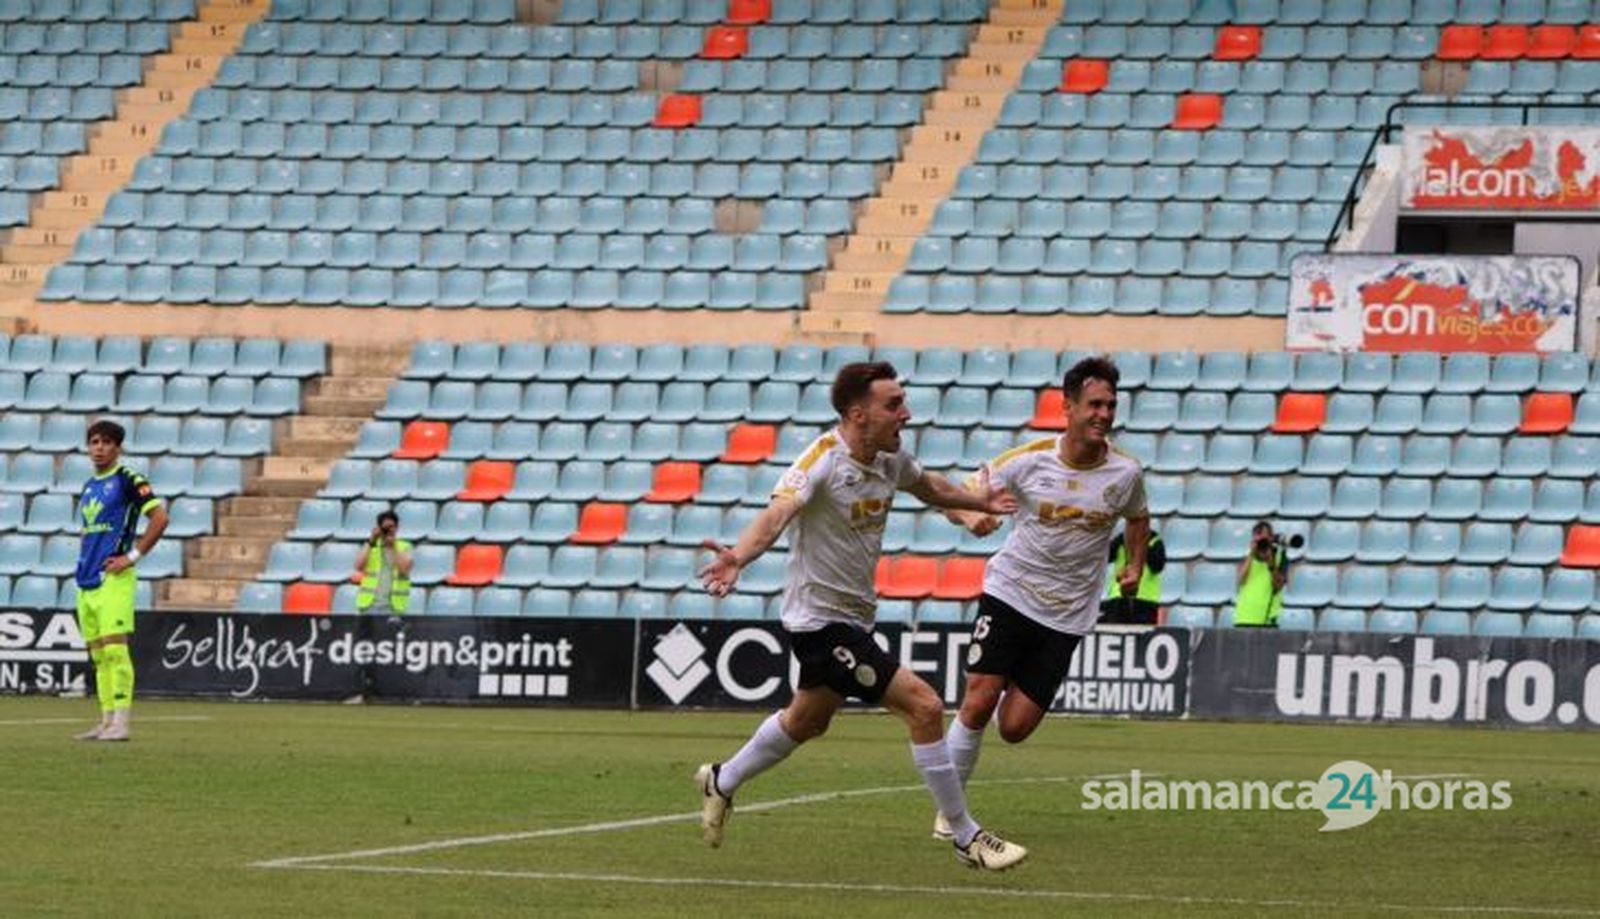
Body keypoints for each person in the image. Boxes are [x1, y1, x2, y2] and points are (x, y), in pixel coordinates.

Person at [694, 361, 1029, 872]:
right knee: (923, 706)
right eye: (893, 404)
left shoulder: (889, 459)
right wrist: (737, 557)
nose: (906, 413)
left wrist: (972, 504)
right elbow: (776, 514)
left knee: (806, 721)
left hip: (852, 621)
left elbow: (931, 487)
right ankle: (965, 836)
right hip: (818, 625)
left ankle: (723, 779)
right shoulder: (822, 461)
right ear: (858, 414)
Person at [936, 356, 1149, 840]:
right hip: (1010, 593)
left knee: (1014, 727)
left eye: (1111, 405)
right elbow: (957, 498)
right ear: (1067, 407)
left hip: (1067, 616)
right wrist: (972, 518)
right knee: (978, 699)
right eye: (1094, 404)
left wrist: (1132, 565)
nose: (1104, 413)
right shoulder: (1026, 461)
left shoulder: (1125, 473)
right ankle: (951, 812)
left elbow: (1137, 517)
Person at [73, 420, 167, 742]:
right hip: (86, 579)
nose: (99, 447)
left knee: (115, 651)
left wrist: (132, 556)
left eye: (107, 442)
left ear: (118, 448)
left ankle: (123, 723)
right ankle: (106, 721)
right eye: (94, 442)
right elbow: (88, 530)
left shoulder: (128, 479)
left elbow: (159, 517)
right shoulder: (88, 486)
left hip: (115, 577)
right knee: (99, 656)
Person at [352, 510, 413, 615]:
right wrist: (371, 540)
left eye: (391, 527)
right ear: (379, 528)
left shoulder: (404, 546)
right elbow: (358, 566)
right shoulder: (371, 546)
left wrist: (394, 546)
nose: (388, 531)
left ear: (397, 528)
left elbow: (404, 569)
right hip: (369, 604)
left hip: (394, 607)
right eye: (385, 528)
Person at [1102, 527, 1165, 625]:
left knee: (1142, 637)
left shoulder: (1154, 540)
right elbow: (1104, 557)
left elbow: (1158, 566)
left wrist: (1141, 546)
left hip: (1145, 600)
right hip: (1118, 599)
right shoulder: (1120, 540)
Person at [1233, 521, 1288, 627]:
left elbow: (1278, 586)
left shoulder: (1280, 557)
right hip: (1244, 618)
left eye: (1265, 539)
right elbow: (1240, 580)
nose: (1262, 543)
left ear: (1271, 539)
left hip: (1267, 620)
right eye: (1259, 539)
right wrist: (1251, 554)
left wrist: (1271, 563)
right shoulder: (1247, 557)